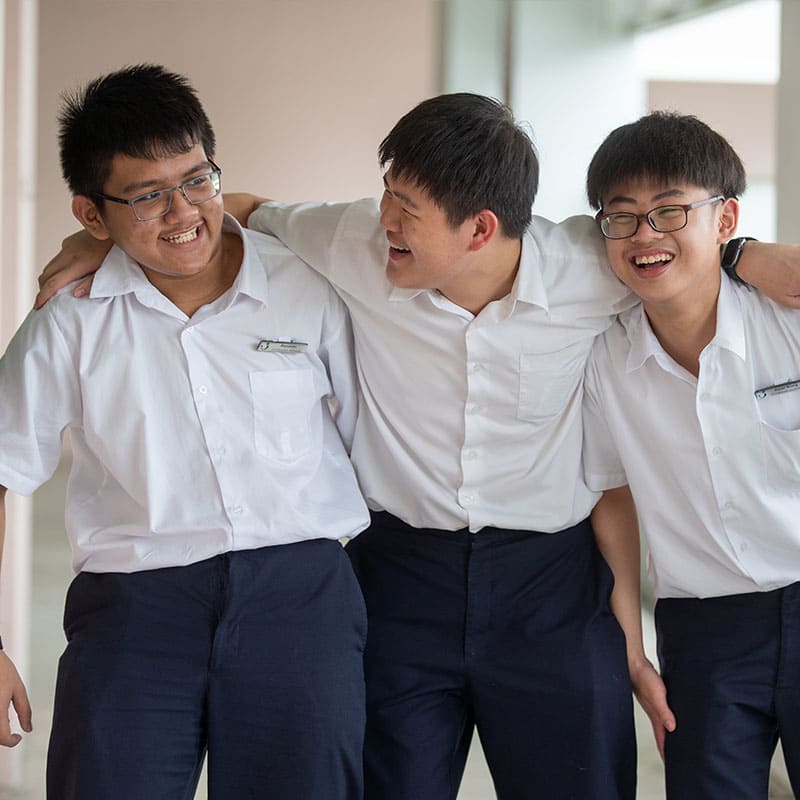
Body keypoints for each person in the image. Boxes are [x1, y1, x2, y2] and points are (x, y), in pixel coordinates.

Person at [35, 93, 800, 800]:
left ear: (481, 229)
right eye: (387, 197)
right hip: (400, 575)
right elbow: (239, 210)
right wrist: (100, 237)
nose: (385, 223)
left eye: (407, 208)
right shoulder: (353, 243)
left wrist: (744, 252)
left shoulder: (591, 267)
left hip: (550, 588)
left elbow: (673, 252)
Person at [0, 64, 369, 800]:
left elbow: (371, 438)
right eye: (147, 196)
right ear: (91, 215)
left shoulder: (307, 285)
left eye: (197, 180)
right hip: (133, 611)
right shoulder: (69, 319)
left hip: (300, 601)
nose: (183, 212)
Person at [583, 111, 800, 799]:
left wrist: (752, 255)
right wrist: (631, 648)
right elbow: (611, 497)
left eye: (670, 210)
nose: (645, 234)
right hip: (704, 631)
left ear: (725, 218)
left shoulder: (789, 319)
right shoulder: (602, 359)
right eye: (622, 216)